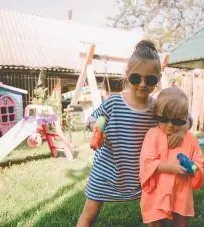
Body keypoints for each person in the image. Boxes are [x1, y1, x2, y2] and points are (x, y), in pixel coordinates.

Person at [76, 40, 184, 227]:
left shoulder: (157, 107)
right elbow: (93, 119)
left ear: (158, 78)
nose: (143, 84)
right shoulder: (114, 102)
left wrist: (181, 131)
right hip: (107, 170)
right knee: (89, 215)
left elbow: (184, 117)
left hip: (141, 173)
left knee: (155, 215)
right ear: (127, 75)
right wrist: (97, 128)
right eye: (136, 78)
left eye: (150, 80)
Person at [139, 87, 204, 227]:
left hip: (181, 190)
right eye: (163, 119)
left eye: (177, 121)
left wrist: (195, 169)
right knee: (156, 221)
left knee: (181, 221)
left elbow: (199, 160)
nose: (170, 125)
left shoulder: (190, 139)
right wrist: (171, 167)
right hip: (157, 190)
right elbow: (147, 162)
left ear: (184, 118)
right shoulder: (152, 135)